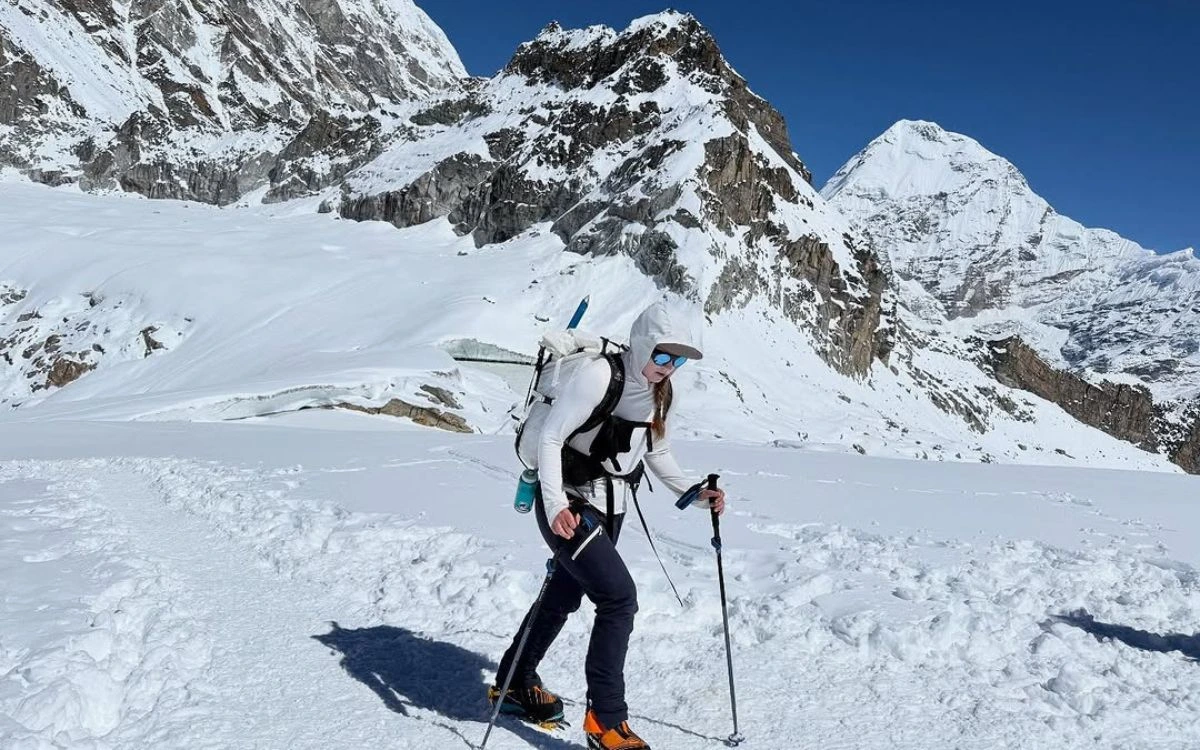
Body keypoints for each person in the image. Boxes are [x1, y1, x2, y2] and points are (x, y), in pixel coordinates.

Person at [489, 299, 726, 750]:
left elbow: (655, 452)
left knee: (563, 593)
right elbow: (554, 436)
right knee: (619, 599)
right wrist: (557, 503)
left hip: (611, 507)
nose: (668, 366)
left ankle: (514, 684)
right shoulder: (599, 375)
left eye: (677, 358)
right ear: (641, 344)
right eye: (662, 354)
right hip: (569, 503)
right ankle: (606, 721)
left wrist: (694, 494)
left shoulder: (663, 393)